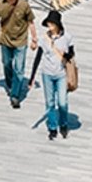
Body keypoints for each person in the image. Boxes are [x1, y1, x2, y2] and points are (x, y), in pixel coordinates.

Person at [0, 0, 37, 111]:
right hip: (5, 40)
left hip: (21, 41)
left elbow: (31, 21)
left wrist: (34, 38)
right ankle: (10, 83)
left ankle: (15, 96)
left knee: (19, 69)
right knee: (6, 63)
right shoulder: (0, 4)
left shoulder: (23, 4)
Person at [35, 11, 73, 140]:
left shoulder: (67, 37)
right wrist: (32, 77)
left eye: (51, 23)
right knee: (50, 103)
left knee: (62, 102)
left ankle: (63, 124)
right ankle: (52, 127)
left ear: (57, 24)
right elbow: (38, 56)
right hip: (47, 74)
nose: (49, 26)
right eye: (48, 24)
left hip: (61, 74)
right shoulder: (44, 38)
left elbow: (71, 54)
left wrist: (64, 55)